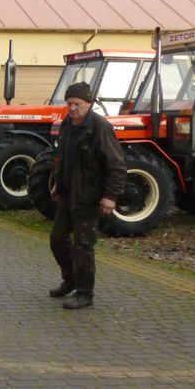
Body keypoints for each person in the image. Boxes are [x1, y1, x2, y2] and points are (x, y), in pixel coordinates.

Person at [48, 81, 127, 309]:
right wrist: (57, 183)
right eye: (69, 103)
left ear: (88, 103)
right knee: (57, 239)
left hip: (89, 196)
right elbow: (62, 158)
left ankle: (85, 293)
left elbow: (116, 165)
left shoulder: (99, 128)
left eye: (77, 104)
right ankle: (70, 280)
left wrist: (110, 196)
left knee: (83, 245)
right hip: (67, 194)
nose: (72, 108)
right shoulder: (67, 125)